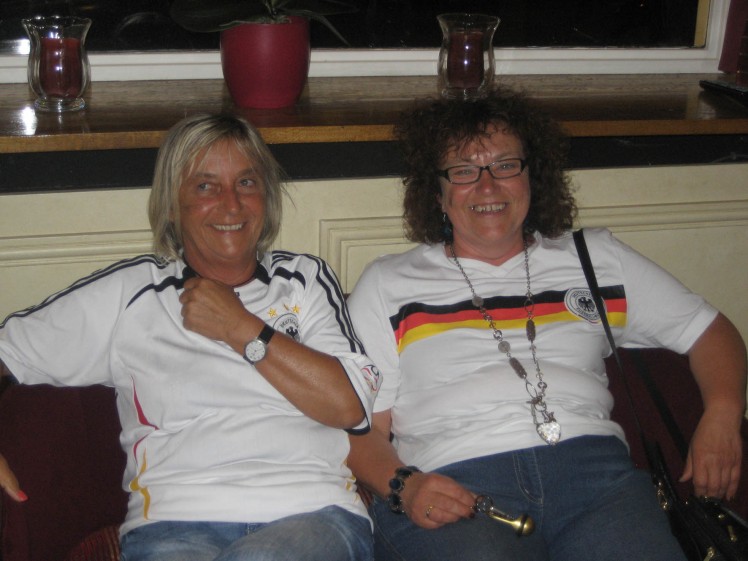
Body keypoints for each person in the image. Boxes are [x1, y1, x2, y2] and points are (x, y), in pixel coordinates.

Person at [345, 87, 747, 561]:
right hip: (457, 484)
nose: (487, 186)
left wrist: (723, 416)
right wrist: (405, 486)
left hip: (598, 482)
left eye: (505, 165)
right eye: (464, 171)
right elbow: (359, 429)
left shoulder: (595, 259)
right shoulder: (389, 284)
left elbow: (708, 331)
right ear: (437, 193)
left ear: (532, 177)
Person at [0, 113, 379, 561]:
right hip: (173, 525)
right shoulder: (131, 293)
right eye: (205, 186)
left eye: (246, 182)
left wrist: (240, 328)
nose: (231, 204)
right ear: (171, 204)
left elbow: (349, 408)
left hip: (314, 515)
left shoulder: (304, 280)